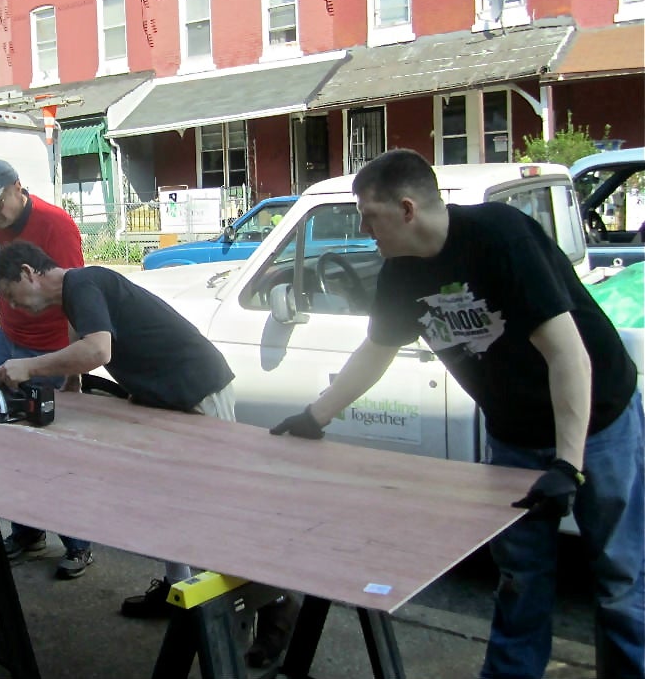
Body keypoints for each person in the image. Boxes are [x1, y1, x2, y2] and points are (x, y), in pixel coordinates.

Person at [270, 149, 643, 679]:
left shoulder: (500, 238)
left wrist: (567, 463)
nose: (363, 229)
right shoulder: (399, 275)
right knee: (521, 578)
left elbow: (568, 354)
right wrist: (316, 415)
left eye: (369, 216)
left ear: (406, 209)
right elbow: (375, 352)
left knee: (621, 578)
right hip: (514, 436)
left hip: (598, 422)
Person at [0, 240, 239, 614]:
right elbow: (81, 356)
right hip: (168, 399)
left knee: (212, 507)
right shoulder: (75, 298)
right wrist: (69, 392)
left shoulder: (84, 284)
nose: (13, 306)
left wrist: (30, 366)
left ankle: (266, 605)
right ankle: (177, 589)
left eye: (11, 294)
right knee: (167, 502)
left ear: (28, 273)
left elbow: (98, 351)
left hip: (198, 390)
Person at [0, 158, 92, 580]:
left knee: (55, 448)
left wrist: (73, 367)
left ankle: (78, 542)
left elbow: (77, 291)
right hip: (10, 339)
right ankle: (27, 531)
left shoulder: (57, 225)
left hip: (52, 346)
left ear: (18, 188)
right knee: (11, 443)